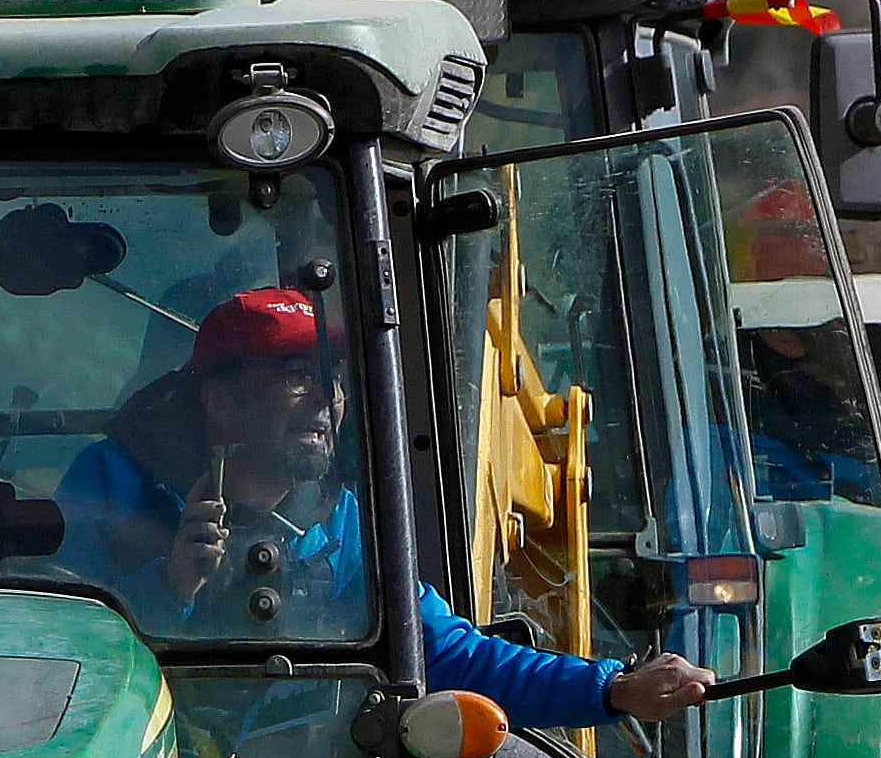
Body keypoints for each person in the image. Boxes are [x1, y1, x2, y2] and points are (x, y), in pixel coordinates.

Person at [60, 287, 712, 726]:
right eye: (295, 375)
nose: (326, 397)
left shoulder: (342, 522)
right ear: (220, 402)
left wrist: (612, 688)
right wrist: (169, 586)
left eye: (332, 376)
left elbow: (450, 652)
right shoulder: (109, 485)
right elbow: (63, 661)